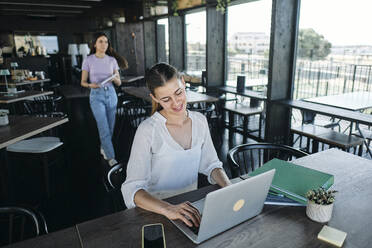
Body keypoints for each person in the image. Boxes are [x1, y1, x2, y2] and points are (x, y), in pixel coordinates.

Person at [121, 63, 231, 228]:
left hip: (190, 208)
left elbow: (212, 165)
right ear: (155, 98)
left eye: (178, 92)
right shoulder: (148, 130)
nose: (176, 103)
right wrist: (169, 209)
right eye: (166, 99)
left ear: (183, 83)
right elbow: (132, 190)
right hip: (156, 212)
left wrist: (229, 188)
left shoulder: (200, 121)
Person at [81, 32, 128, 167]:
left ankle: (104, 148)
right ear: (95, 44)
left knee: (110, 127)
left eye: (106, 42)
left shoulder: (112, 61)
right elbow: (83, 82)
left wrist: (115, 78)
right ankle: (111, 158)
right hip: (96, 95)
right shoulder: (88, 60)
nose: (104, 44)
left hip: (111, 94)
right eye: (101, 41)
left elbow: (119, 83)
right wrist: (91, 85)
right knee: (103, 127)